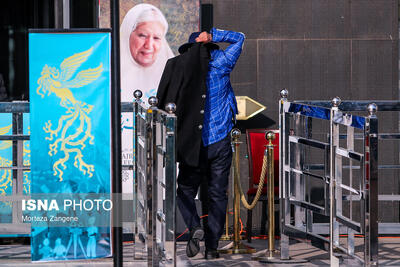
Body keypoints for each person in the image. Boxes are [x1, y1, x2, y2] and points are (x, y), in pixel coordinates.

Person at [157, 28, 245, 259]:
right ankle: (213, 247)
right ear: (211, 47)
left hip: (192, 144)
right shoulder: (222, 63)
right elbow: (240, 37)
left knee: (184, 190)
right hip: (220, 142)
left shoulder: (182, 69)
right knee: (216, 194)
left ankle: (195, 226)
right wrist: (213, 34)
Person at [120, 3, 174, 102]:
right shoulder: (107, 74)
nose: (149, 45)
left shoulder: (173, 77)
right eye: (143, 35)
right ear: (128, 35)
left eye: (156, 38)